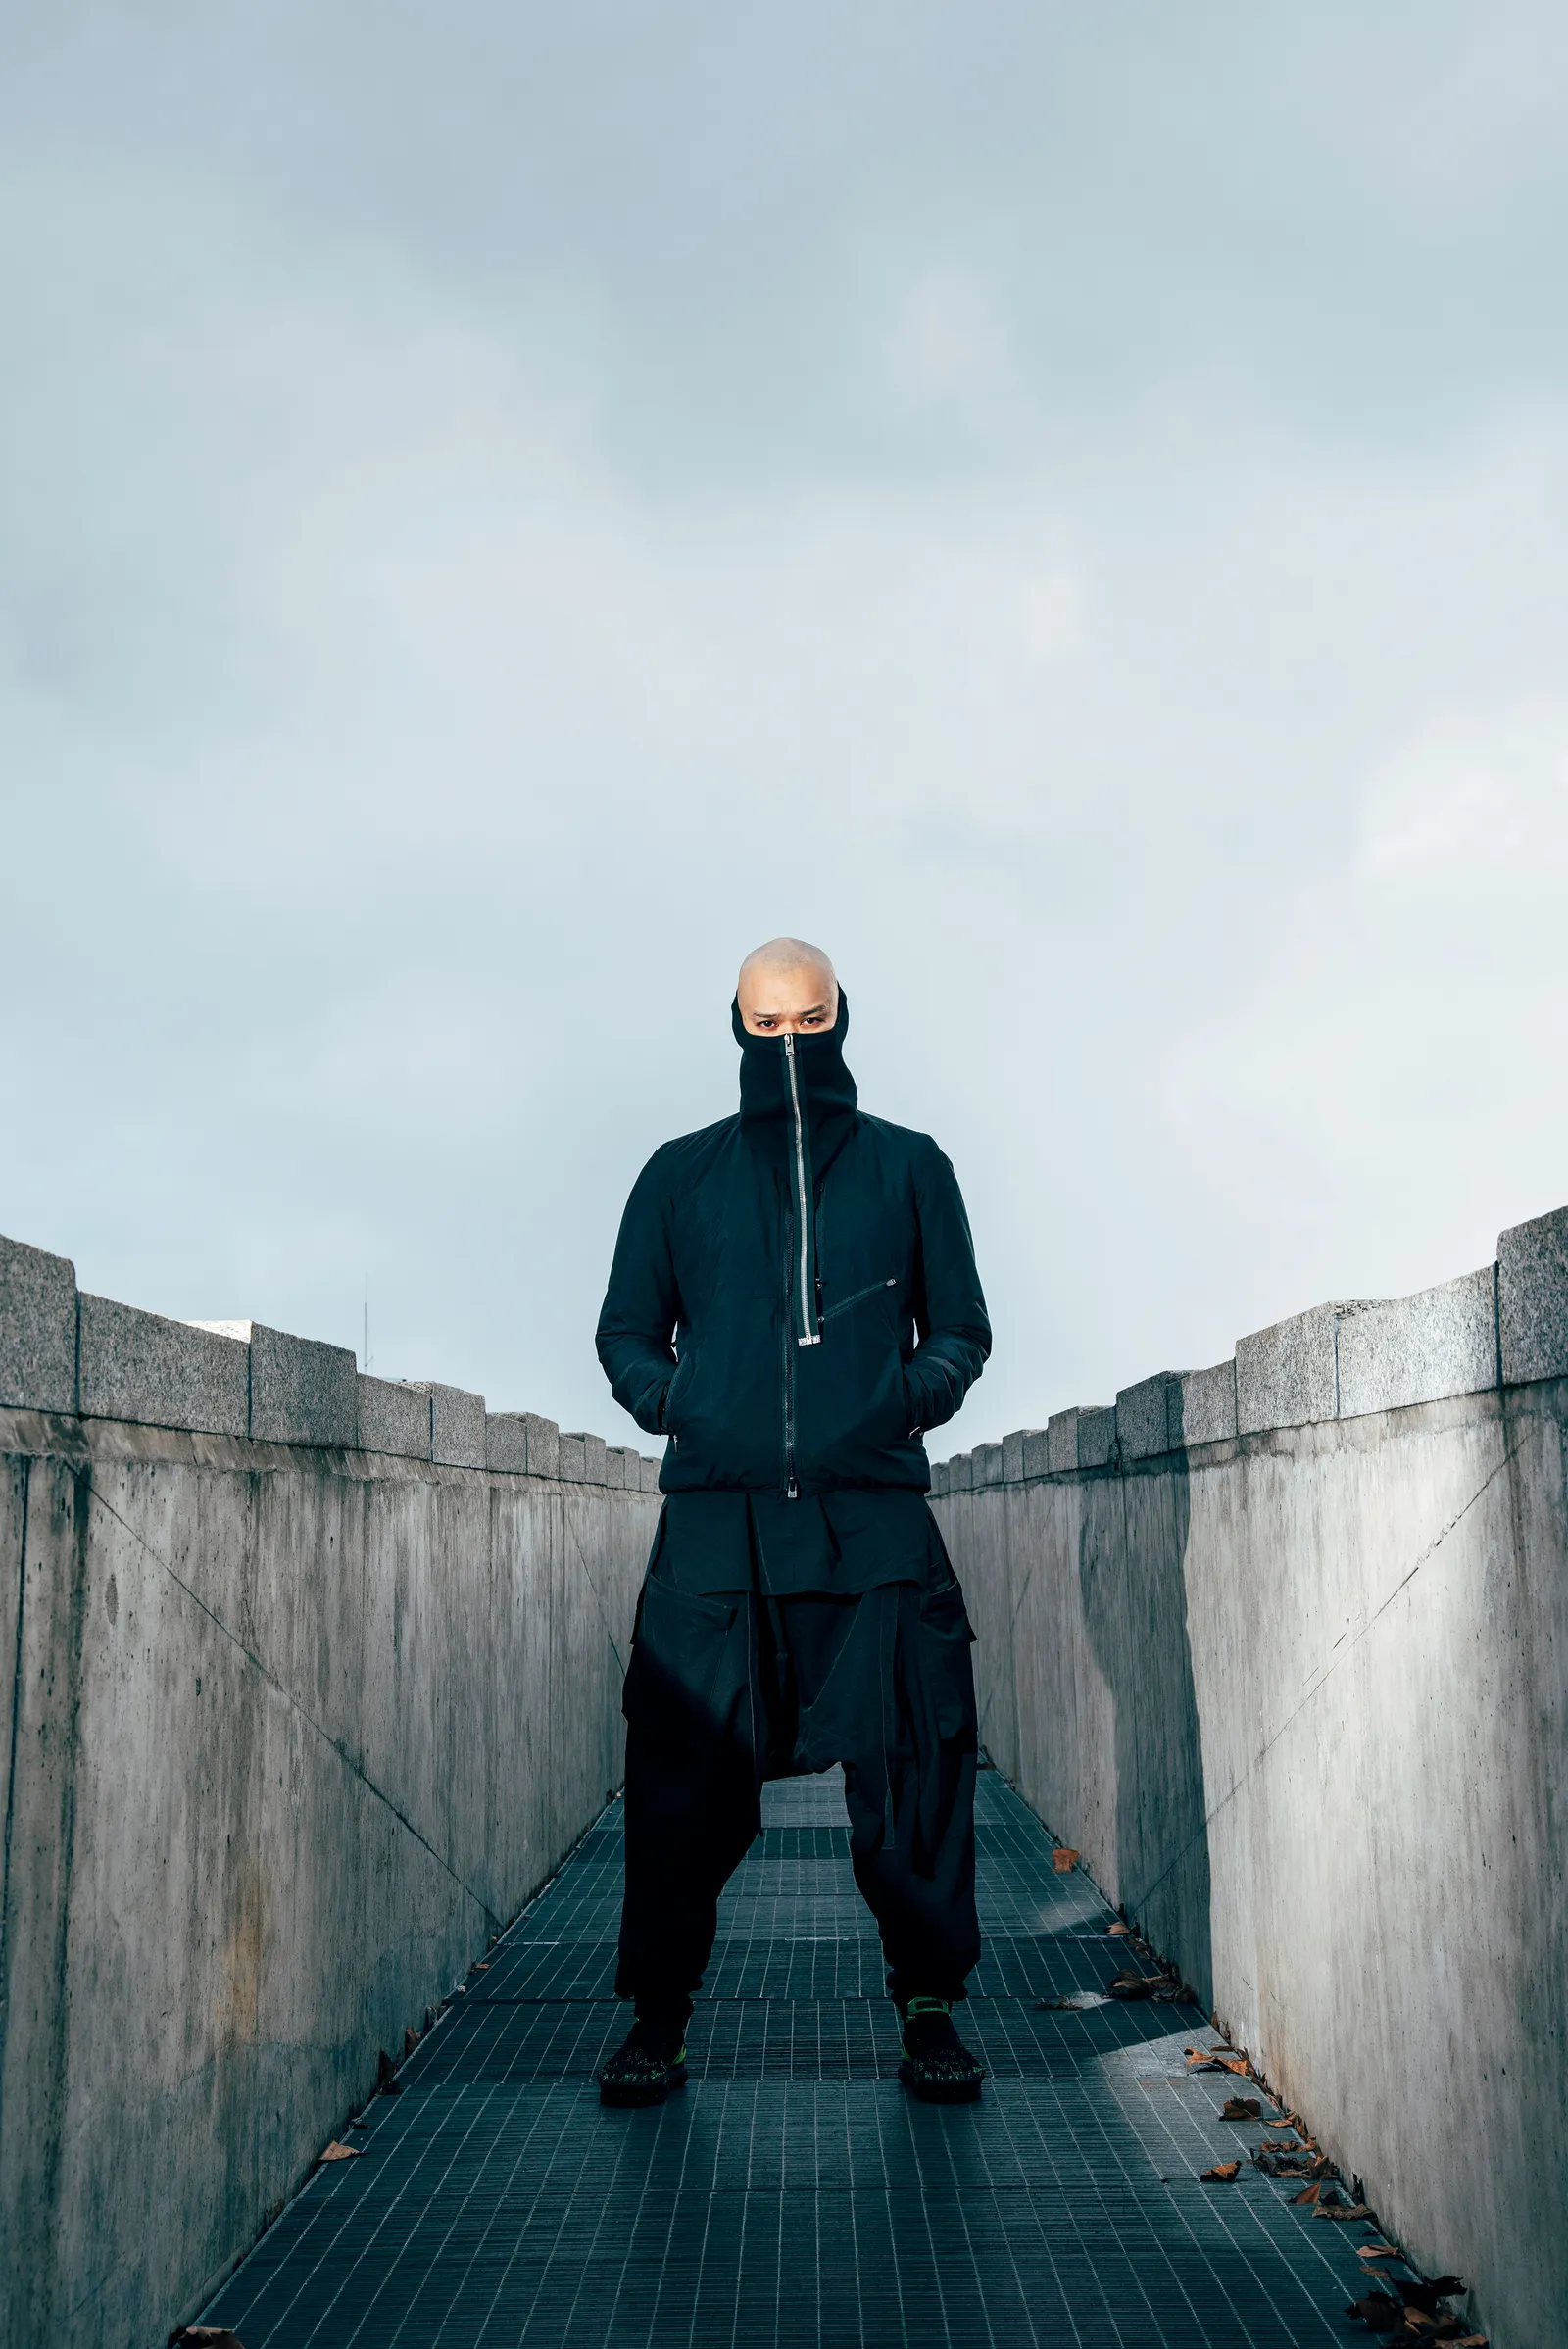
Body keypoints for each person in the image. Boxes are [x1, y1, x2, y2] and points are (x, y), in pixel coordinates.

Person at [593, 938, 992, 2107]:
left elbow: (960, 1330)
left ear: (842, 1018)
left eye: (807, 1022)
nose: (787, 1047)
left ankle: (928, 2009)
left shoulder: (913, 1169)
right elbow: (625, 1332)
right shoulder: (678, 1176)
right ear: (734, 1027)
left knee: (915, 1768)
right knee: (679, 1786)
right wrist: (686, 1410)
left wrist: (885, 1412)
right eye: (767, 1027)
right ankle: (656, 2018)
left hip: (870, 1526)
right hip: (717, 1534)